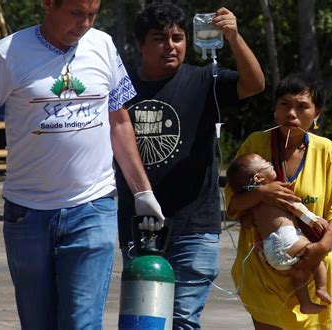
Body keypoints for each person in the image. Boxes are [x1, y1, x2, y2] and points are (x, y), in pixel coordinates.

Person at [0, 0, 164, 329]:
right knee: (38, 323)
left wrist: (143, 190)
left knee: (80, 323)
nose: (85, 23)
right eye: (75, 13)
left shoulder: (103, 46)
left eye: (92, 14)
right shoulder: (6, 54)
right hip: (27, 215)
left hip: (92, 209)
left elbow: (119, 122)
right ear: (48, 5)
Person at [114, 1, 264, 328]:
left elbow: (254, 84)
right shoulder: (119, 86)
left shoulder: (203, 80)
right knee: (145, 319)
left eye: (178, 38)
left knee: (182, 319)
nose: (171, 46)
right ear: (139, 44)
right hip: (139, 226)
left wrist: (234, 38)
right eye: (159, 38)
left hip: (195, 226)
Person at [225, 73, 332, 329]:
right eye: (284, 104)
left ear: (317, 114)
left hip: (310, 261)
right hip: (263, 270)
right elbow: (232, 206)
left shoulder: (326, 151)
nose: (291, 113)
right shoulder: (255, 144)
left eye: (302, 106)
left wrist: (323, 246)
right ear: (275, 110)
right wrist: (262, 194)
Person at [226, 152, 332, 314]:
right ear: (258, 178)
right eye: (266, 164)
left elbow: (246, 223)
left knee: (298, 272)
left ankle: (305, 303)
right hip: (286, 239)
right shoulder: (277, 191)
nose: (270, 163)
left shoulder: (252, 202)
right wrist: (313, 219)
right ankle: (321, 288)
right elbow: (295, 206)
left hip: (269, 253)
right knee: (316, 256)